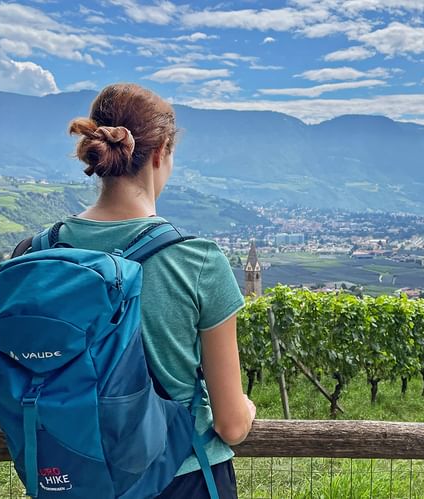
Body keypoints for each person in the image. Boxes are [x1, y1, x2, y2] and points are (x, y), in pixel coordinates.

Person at [58, 83, 256, 498]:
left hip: (71, 474)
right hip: (179, 479)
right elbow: (232, 425)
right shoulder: (197, 262)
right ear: (161, 151)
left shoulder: (41, 251)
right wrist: (249, 407)